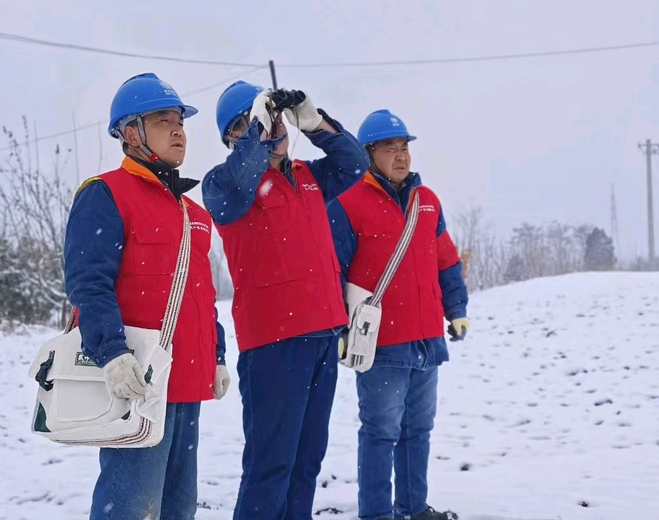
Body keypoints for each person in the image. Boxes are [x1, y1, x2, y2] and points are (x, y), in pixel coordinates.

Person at [63, 72, 231, 520]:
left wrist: (216, 353)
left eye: (180, 121)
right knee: (131, 507)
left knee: (179, 507)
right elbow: (88, 283)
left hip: (189, 383)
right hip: (138, 381)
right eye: (163, 120)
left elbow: (202, 294)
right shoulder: (105, 194)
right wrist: (111, 353)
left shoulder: (194, 211)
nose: (179, 130)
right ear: (131, 132)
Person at [201, 81, 370, 520]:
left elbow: (356, 166)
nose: (262, 129)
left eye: (266, 118)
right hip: (274, 346)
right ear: (231, 140)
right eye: (243, 125)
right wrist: (258, 129)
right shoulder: (226, 186)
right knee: (269, 468)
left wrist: (315, 123)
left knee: (305, 464)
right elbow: (235, 184)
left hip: (322, 337)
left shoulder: (312, 178)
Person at [326, 109, 469, 520]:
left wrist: (455, 308)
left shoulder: (428, 202)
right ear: (370, 153)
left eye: (404, 147)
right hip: (382, 344)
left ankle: (413, 508)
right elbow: (334, 270)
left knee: (418, 431)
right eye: (390, 147)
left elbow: (446, 259)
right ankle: (376, 514)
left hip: (427, 339)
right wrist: (338, 326)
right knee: (381, 433)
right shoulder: (348, 206)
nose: (401, 155)